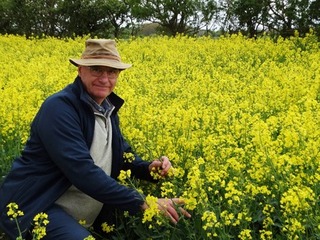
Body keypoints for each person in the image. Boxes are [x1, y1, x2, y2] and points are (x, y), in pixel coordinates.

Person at [0, 39, 190, 239]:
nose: (105, 78)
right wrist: (142, 202)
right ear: (80, 70)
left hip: (83, 214)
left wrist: (150, 169)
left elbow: (124, 158)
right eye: (97, 70)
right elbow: (82, 170)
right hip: (40, 207)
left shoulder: (107, 109)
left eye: (112, 72)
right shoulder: (60, 108)